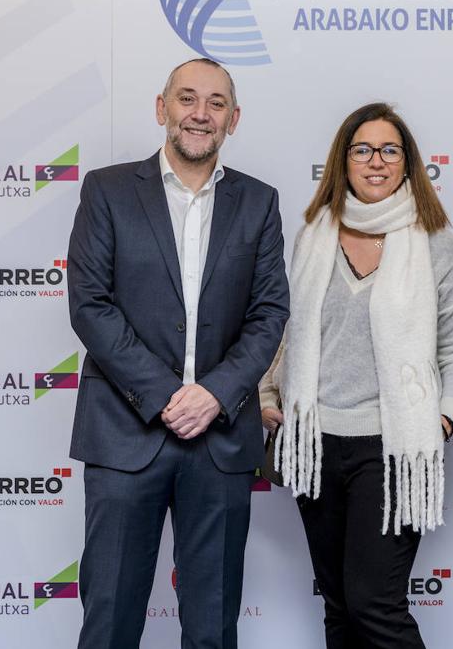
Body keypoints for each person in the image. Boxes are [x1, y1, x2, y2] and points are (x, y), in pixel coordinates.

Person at [67, 58, 289, 649]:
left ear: (233, 119)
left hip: (219, 444)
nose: (200, 113)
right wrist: (168, 396)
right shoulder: (108, 191)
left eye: (216, 103)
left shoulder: (259, 202)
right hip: (123, 434)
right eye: (187, 99)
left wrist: (215, 394)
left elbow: (269, 314)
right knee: (110, 618)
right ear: (161, 108)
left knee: (212, 625)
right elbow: (90, 304)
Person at [259, 102, 453, 649]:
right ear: (343, 160)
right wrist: (267, 394)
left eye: (389, 150)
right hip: (315, 445)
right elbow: (284, 329)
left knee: (374, 605)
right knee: (338, 607)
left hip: (393, 449)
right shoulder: (312, 237)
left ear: (408, 163)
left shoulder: (435, 244)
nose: (375, 161)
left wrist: (444, 420)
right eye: (362, 149)